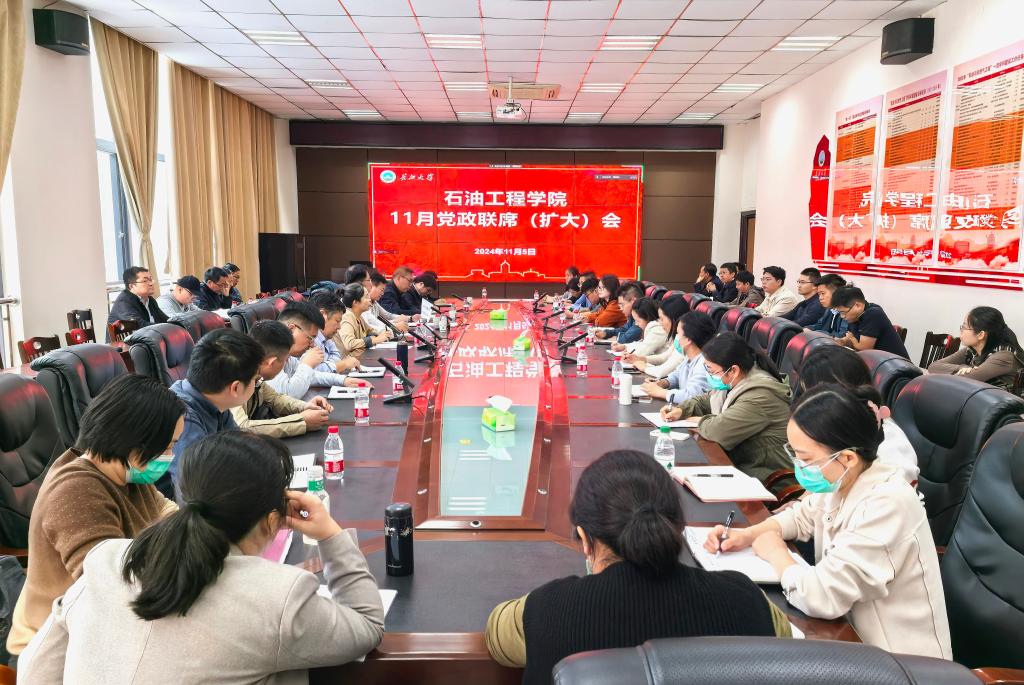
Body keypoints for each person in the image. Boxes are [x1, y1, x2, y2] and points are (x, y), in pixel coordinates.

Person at [17, 432, 385, 683]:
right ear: (272, 520)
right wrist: (330, 534)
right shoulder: (279, 597)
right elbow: (367, 626)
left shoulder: (108, 559)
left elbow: (37, 666)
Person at [485, 450, 790, 685]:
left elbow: (497, 634)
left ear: (585, 540)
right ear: (676, 528)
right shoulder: (746, 600)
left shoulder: (547, 611)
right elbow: (783, 635)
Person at [704, 384, 951, 659]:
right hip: (847, 637)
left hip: (898, 661)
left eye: (805, 458)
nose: (799, 466)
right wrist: (748, 535)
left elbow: (822, 596)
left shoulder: (888, 503)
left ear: (847, 457)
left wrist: (776, 553)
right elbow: (801, 516)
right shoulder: (843, 477)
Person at [6, 375, 184, 660]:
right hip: (55, 648)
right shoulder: (75, 492)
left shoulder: (126, 471)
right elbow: (111, 586)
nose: (170, 455)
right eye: (168, 446)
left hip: (101, 624)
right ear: (136, 442)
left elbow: (166, 512)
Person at [661, 332, 792, 486]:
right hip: (741, 463)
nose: (709, 375)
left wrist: (702, 421)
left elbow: (717, 432)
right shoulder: (735, 380)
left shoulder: (761, 395)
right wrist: (682, 410)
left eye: (711, 371)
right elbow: (707, 399)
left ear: (733, 370)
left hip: (765, 476)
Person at [797, 345, 918, 485]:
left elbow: (887, 495)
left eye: (814, 398)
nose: (809, 405)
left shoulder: (890, 450)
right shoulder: (839, 427)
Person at [166, 328, 263, 496]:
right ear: (235, 388)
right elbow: (195, 492)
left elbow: (240, 447)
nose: (256, 384)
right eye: (255, 380)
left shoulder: (214, 400)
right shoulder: (183, 419)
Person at [233, 320, 332, 438]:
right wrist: (301, 421)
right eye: (286, 360)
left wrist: (304, 406)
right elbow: (241, 427)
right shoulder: (234, 378)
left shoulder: (255, 376)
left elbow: (275, 399)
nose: (286, 363)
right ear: (272, 362)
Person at [267, 301, 363, 399]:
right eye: (310, 338)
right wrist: (306, 364)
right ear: (291, 329)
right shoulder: (270, 352)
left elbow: (312, 376)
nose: (312, 344)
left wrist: (343, 380)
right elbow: (288, 394)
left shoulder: (287, 356)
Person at [928, 306, 1024, 391]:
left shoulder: (1004, 356)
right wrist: (962, 367)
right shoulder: (971, 350)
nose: (961, 331)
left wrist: (964, 371)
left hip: (1004, 405)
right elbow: (934, 366)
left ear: (981, 335)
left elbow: (965, 379)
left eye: (964, 327)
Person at [641, 311, 716, 404]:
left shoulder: (704, 363)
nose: (676, 337)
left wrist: (661, 392)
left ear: (688, 339)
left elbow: (691, 396)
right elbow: (677, 375)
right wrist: (662, 383)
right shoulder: (689, 357)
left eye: (678, 333)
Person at [831, 286, 909, 358]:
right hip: (876, 361)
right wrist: (842, 341)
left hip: (894, 365)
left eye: (843, 312)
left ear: (857, 305)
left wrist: (851, 340)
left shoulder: (873, 313)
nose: (842, 316)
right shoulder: (854, 316)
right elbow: (852, 338)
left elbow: (864, 350)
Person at [625, 295, 690, 379]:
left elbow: (663, 371)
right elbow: (665, 357)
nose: (660, 323)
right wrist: (641, 359)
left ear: (673, 319)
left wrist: (645, 367)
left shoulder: (686, 340)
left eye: (662, 319)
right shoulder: (678, 336)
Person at [337, 282, 392, 360]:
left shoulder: (358, 316)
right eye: (366, 296)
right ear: (355, 302)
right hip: (346, 363)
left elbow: (371, 331)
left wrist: (382, 334)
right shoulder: (347, 316)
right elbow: (349, 344)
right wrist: (374, 339)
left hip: (356, 359)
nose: (369, 299)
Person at [309, 291, 360, 374]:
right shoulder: (308, 339)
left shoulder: (326, 337)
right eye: (337, 321)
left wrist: (330, 365)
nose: (339, 327)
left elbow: (337, 355)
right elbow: (314, 371)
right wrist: (343, 365)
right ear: (322, 315)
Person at [107, 266, 169, 332]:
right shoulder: (124, 302)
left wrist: (175, 323)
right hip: (131, 338)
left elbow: (165, 320)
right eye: (145, 281)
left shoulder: (150, 299)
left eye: (150, 279)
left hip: (148, 336)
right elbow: (139, 325)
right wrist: (166, 327)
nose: (151, 283)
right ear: (132, 286)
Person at [363, 270, 410, 334]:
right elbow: (373, 324)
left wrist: (409, 318)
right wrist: (395, 323)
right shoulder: (363, 305)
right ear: (372, 286)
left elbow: (388, 315)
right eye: (381, 290)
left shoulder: (375, 303)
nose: (382, 294)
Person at [808, 273, 849, 338]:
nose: (820, 298)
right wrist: (807, 329)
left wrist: (814, 333)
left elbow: (841, 336)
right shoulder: (830, 308)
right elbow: (819, 325)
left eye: (823, 293)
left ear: (836, 292)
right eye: (819, 294)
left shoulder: (848, 310)